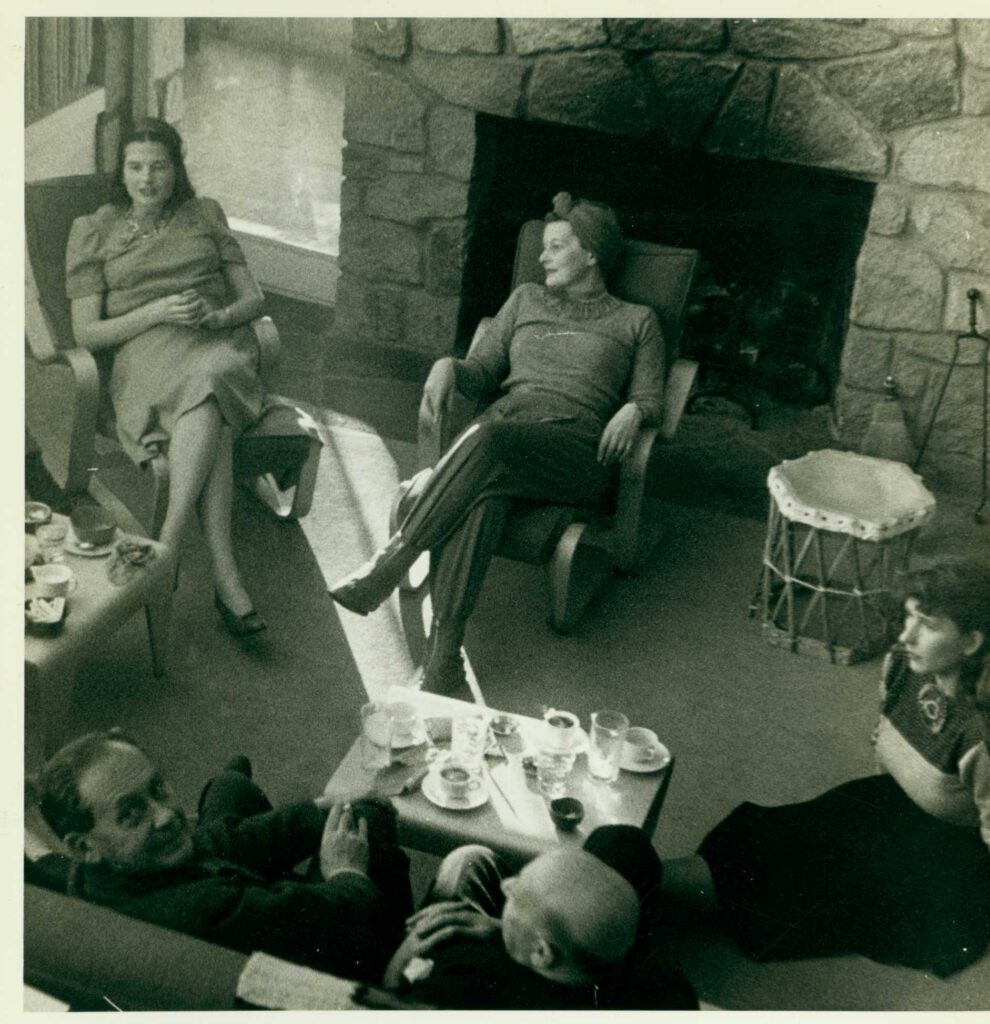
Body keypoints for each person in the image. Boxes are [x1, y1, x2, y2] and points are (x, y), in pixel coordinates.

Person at [330, 192, 665, 691]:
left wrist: (633, 411)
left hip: (574, 450)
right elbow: (482, 372)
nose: (541, 257)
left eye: (555, 247)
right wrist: (447, 364)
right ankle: (445, 659)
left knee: (486, 441)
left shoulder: (636, 321)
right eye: (543, 248)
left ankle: (395, 558)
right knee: (483, 493)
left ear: (591, 254)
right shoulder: (525, 299)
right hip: (504, 441)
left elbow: (652, 397)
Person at [659, 559, 990, 977]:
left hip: (947, 852)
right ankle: (642, 886)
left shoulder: (982, 735)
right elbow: (886, 734)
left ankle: (639, 892)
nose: (906, 635)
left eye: (927, 624)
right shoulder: (904, 663)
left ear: (971, 642)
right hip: (887, 801)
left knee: (802, 893)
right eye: (908, 615)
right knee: (770, 841)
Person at [66, 118, 268, 637]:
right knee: (212, 411)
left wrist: (218, 317)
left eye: (159, 166)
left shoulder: (206, 214)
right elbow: (87, 331)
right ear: (122, 172)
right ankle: (223, 575)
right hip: (145, 353)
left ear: (177, 170)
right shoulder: (95, 228)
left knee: (212, 377)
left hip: (216, 341)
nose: (147, 178)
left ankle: (167, 545)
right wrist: (156, 311)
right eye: (135, 166)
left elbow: (254, 299)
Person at [36, 730, 412, 983]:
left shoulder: (96, 875)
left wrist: (318, 810)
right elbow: (333, 909)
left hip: (217, 889)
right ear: (82, 846)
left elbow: (208, 844)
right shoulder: (204, 908)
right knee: (365, 823)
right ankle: (404, 942)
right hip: (321, 953)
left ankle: (238, 788)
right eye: (130, 813)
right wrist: (346, 872)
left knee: (227, 788)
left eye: (158, 789)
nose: (164, 814)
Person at [380, 826, 698, 1009]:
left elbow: (387, 997)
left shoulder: (459, 978)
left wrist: (408, 949)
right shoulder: (670, 991)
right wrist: (507, 930)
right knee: (624, 843)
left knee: (469, 862)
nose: (506, 885)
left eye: (518, 895)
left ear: (542, 953)